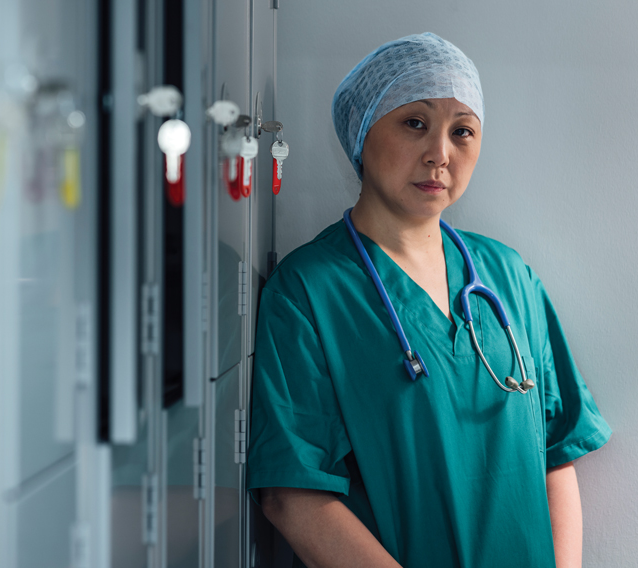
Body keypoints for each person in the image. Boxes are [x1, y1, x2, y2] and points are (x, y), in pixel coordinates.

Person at [246, 32, 611, 568]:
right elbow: (292, 496)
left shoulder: (510, 277)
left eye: (462, 131)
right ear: (362, 133)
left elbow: (558, 454)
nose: (440, 154)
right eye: (415, 123)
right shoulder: (309, 292)